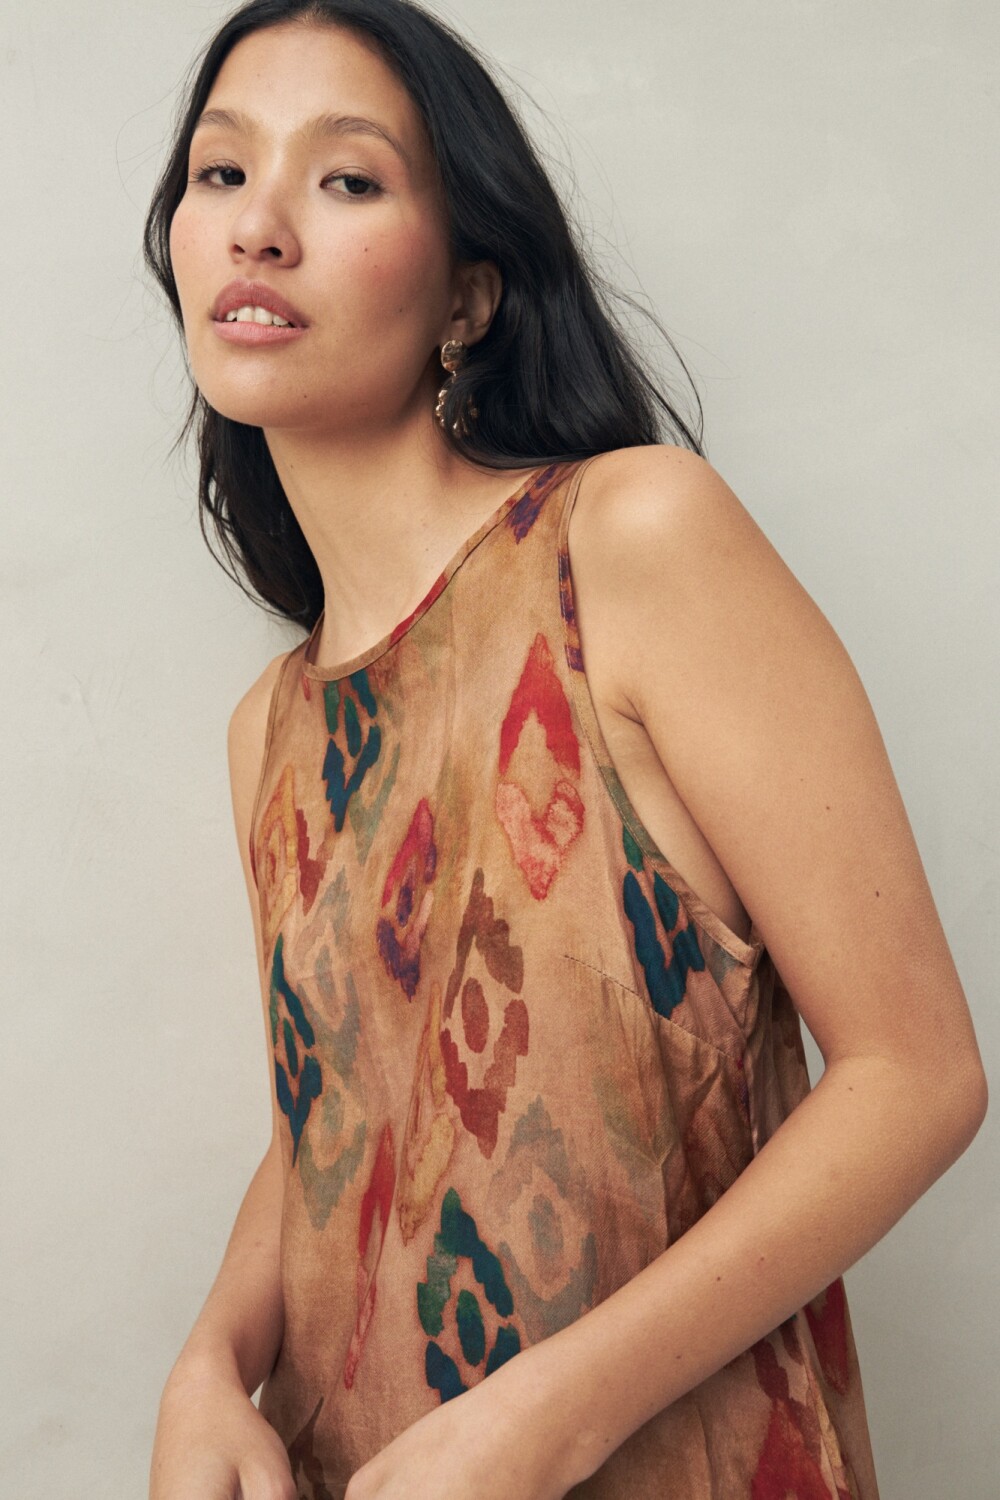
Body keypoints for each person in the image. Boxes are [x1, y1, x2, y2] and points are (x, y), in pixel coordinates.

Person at [144, 2, 988, 1497]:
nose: (258, 226)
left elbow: (916, 1074)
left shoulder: (633, 541)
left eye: (347, 179)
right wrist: (211, 1360)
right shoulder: (268, 731)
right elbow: (332, 1126)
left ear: (469, 299)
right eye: (221, 172)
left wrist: (553, 1417)